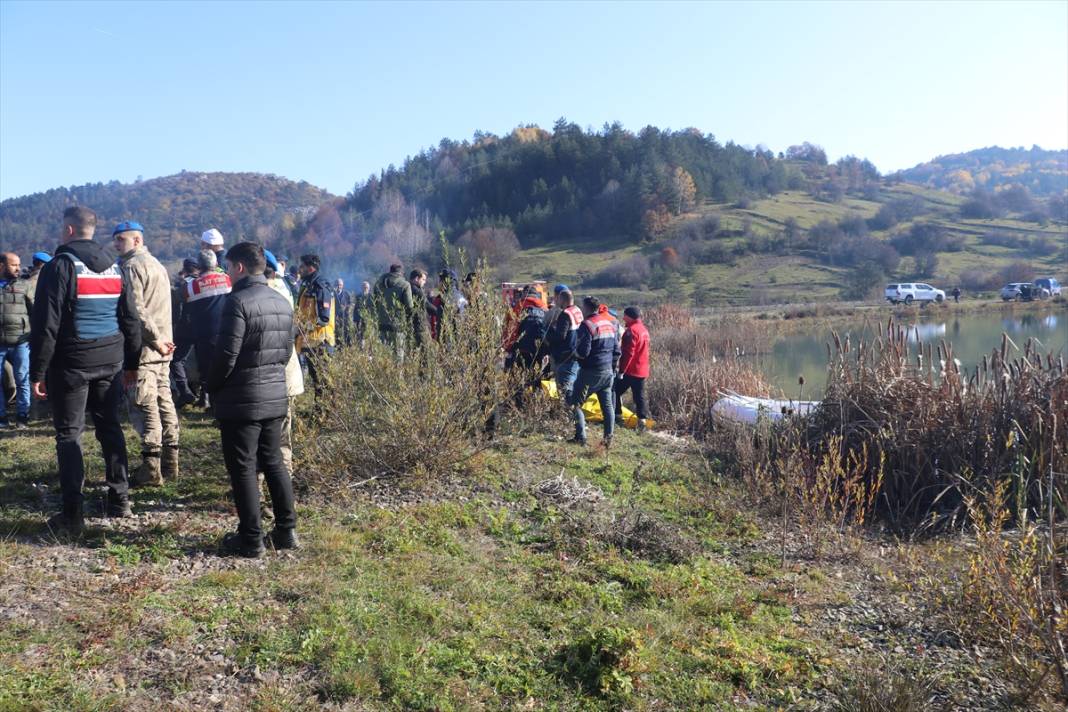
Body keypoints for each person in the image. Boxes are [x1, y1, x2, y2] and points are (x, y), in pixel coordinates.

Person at [31, 207, 142, 534]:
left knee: (69, 434)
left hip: (71, 364)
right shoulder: (115, 267)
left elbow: (46, 326)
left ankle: (73, 514)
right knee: (109, 427)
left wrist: (37, 372)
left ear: (68, 230)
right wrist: (132, 364)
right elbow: (131, 319)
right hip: (111, 360)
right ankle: (120, 499)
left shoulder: (59, 267)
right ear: (92, 230)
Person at [206, 241, 297, 558]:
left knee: (243, 467)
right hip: (274, 395)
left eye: (228, 267)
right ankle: (286, 532)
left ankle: (251, 539)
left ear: (239, 267)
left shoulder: (237, 302)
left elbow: (226, 357)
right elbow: (286, 353)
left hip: (241, 398)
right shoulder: (282, 301)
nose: (227, 273)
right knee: (273, 462)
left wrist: (211, 387)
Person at [113, 221, 180, 486]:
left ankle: (151, 468)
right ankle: (171, 462)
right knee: (165, 400)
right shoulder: (158, 265)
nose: (117, 244)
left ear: (137, 240)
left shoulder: (130, 267)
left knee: (144, 404)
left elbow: (136, 311)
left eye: (121, 239)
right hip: (165, 345)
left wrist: (155, 340)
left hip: (147, 347)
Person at [264, 250, 304, 474]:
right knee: (283, 435)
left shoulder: (264, 294)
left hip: (271, 375)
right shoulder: (285, 289)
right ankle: (284, 480)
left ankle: (263, 487)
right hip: (287, 373)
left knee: (268, 436)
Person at [568, 296, 620, 448]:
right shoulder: (609, 324)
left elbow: (584, 352)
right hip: (608, 371)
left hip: (590, 371)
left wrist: (574, 355)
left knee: (575, 403)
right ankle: (608, 440)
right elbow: (617, 350)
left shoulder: (587, 325)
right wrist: (612, 367)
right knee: (607, 407)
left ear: (586, 308)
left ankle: (581, 438)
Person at [185, 249, 232, 409]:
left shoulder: (191, 286)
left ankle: (206, 398)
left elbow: (184, 303)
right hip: (227, 330)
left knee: (205, 367)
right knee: (225, 366)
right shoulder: (227, 279)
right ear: (216, 264)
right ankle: (221, 402)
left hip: (203, 333)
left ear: (199, 265)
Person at [295, 254, 335, 408]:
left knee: (323, 380)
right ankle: (320, 411)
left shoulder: (320, 286)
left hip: (320, 342)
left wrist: (304, 327)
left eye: (302, 266)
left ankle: (328, 414)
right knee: (316, 379)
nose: (300, 269)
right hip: (310, 342)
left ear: (310, 267)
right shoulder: (308, 285)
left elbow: (323, 319)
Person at [0, 252, 33, 428]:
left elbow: (34, 310)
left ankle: (23, 416)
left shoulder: (25, 285)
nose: (18, 268)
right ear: (1, 266)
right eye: (14, 265)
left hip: (22, 341)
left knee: (22, 378)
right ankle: (1, 418)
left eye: (19, 264)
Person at [614, 306, 650, 431]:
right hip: (642, 369)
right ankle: (642, 422)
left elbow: (628, 353)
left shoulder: (631, 331)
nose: (623, 318)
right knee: (639, 396)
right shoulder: (644, 330)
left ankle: (617, 416)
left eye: (624, 315)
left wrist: (621, 371)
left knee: (614, 390)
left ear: (629, 316)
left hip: (631, 370)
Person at [170, 258, 199, 408]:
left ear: (185, 269)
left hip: (185, 328)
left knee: (176, 360)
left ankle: (184, 391)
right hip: (203, 328)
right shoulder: (203, 283)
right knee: (204, 362)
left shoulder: (184, 284)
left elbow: (176, 307)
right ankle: (205, 397)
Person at [544, 288, 583, 402]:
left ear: (562, 300)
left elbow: (560, 336)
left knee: (565, 391)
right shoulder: (578, 311)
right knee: (572, 387)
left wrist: (548, 332)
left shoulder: (565, 314)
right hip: (575, 354)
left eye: (558, 300)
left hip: (565, 356)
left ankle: (567, 416)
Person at [373, 263, 413, 353]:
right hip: (397, 324)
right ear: (401, 273)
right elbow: (409, 306)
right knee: (398, 354)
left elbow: (374, 303)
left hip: (381, 324)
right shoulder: (405, 285)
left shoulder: (378, 284)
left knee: (384, 354)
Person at [408, 268, 431, 347]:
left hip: (409, 326)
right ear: (417, 279)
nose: (425, 282)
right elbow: (427, 304)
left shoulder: (406, 289)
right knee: (426, 352)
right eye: (423, 279)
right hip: (419, 325)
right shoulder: (417, 291)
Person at [334, 278, 353, 347]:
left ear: (342, 285)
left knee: (346, 332)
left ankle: (347, 346)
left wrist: (346, 307)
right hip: (335, 317)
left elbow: (350, 304)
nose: (339, 286)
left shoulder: (346, 294)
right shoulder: (332, 294)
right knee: (336, 332)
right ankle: (337, 346)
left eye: (340, 285)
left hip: (344, 317)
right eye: (337, 285)